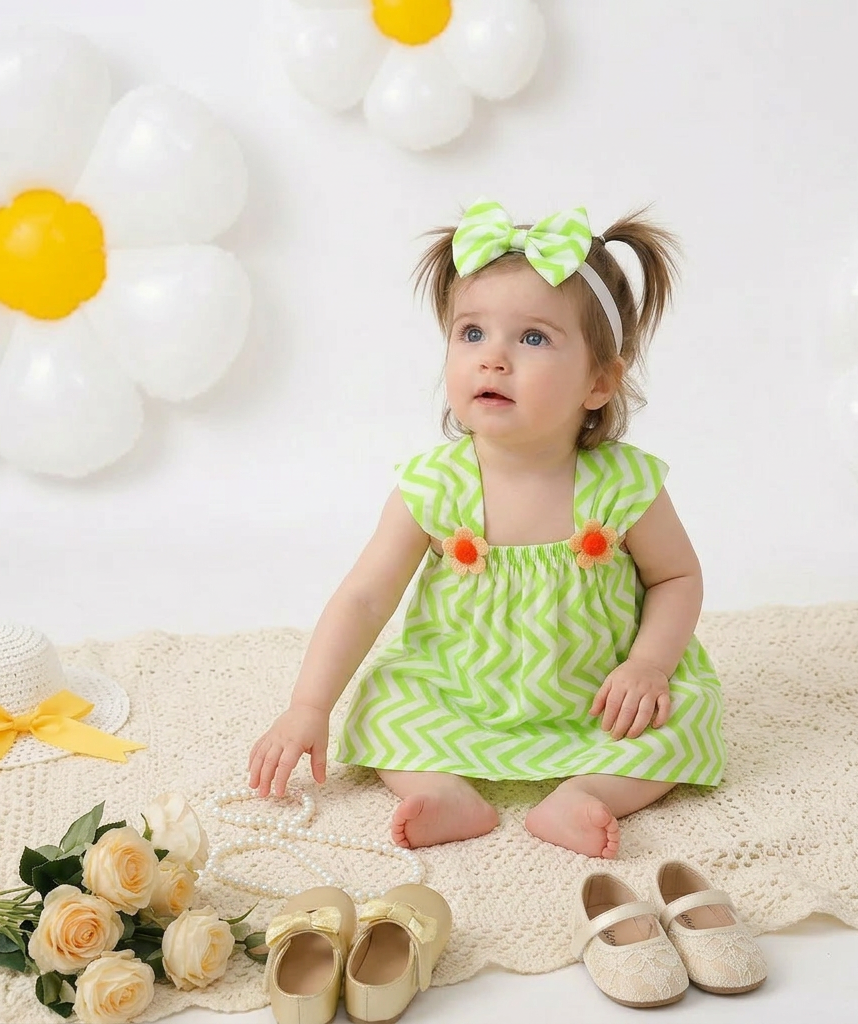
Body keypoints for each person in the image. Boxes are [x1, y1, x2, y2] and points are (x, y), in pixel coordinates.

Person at [248, 199, 725, 859]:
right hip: (460, 690)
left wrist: (648, 665)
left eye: (533, 339)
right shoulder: (433, 485)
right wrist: (309, 705)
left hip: (595, 693)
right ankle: (443, 790)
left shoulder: (624, 484)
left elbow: (677, 577)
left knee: (684, 717)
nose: (493, 358)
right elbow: (363, 598)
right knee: (384, 706)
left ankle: (586, 792)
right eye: (471, 333)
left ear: (598, 382)